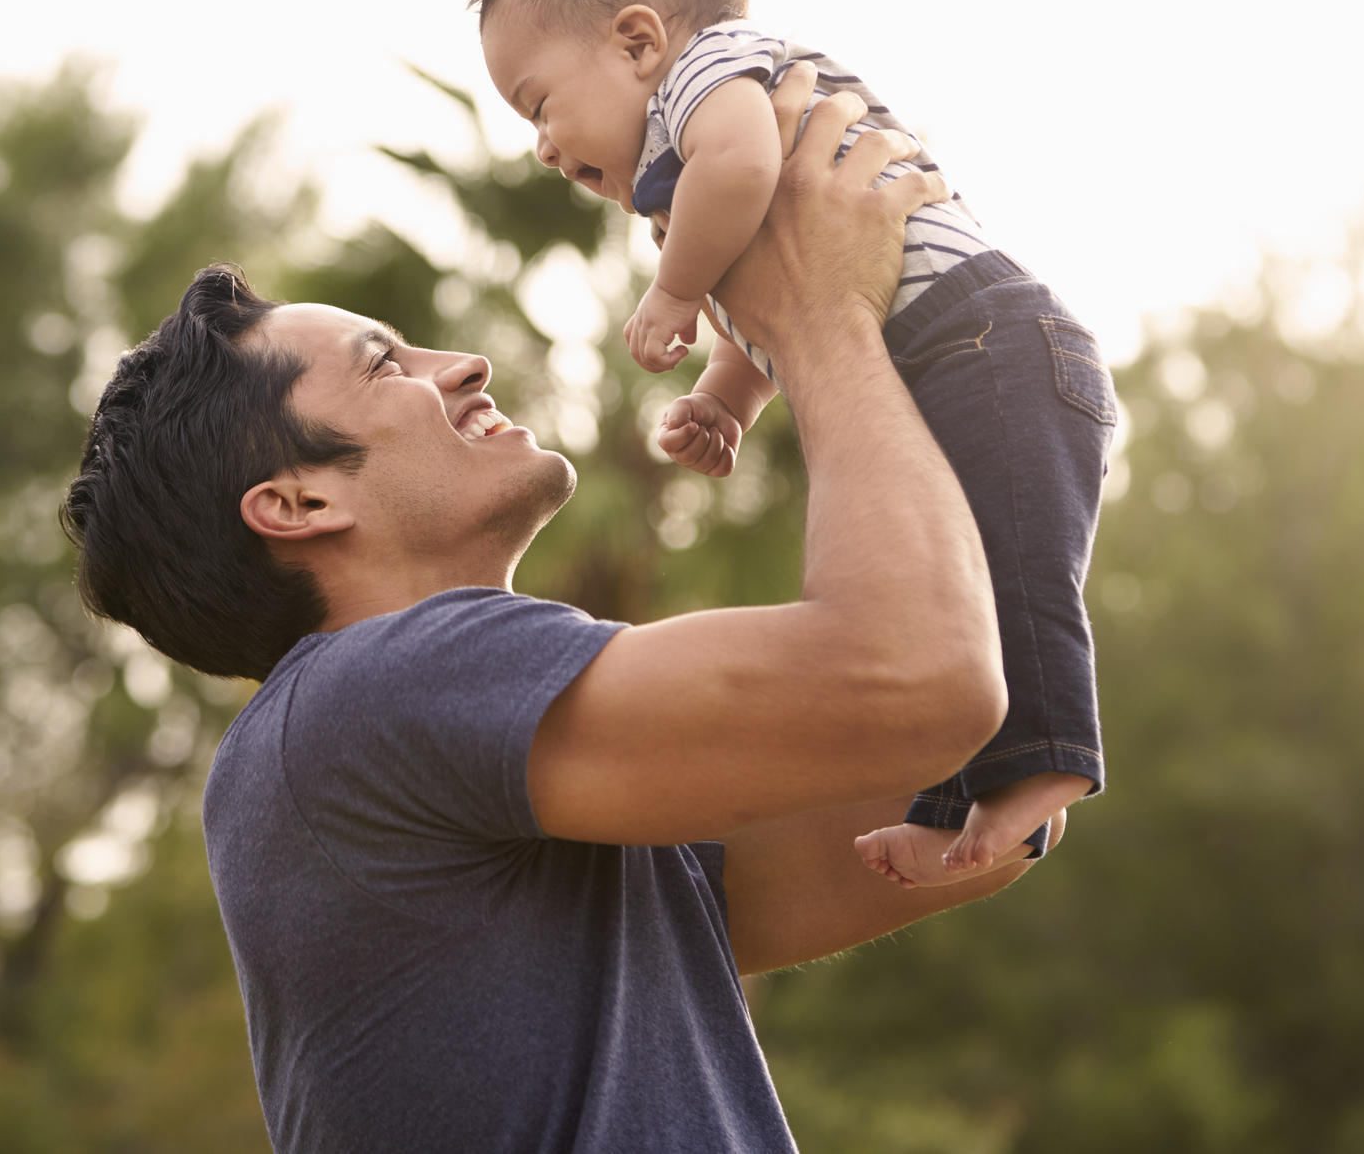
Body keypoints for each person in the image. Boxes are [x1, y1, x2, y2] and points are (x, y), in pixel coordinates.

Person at [59, 69, 1067, 1152]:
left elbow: (974, 799)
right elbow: (921, 680)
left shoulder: (497, 785)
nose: (463, 364)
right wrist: (818, 315)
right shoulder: (374, 692)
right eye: (385, 363)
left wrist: (946, 337)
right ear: (300, 502)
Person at [474, 0, 1115, 885]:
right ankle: (959, 803)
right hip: (943, 353)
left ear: (638, 41)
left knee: (1012, 569)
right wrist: (728, 397)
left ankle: (1047, 768)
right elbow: (769, 303)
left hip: (987, 339)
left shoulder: (710, 76)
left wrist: (674, 293)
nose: (543, 145)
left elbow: (743, 168)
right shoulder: (682, 160)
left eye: (539, 103)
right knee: (949, 592)